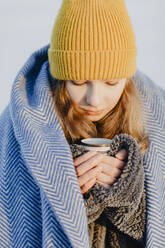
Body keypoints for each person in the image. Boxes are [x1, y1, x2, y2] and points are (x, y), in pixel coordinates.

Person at [0, 0, 165, 247]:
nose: (94, 99)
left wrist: (129, 199)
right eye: (77, 82)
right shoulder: (20, 126)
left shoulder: (157, 116)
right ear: (61, 78)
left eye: (110, 82)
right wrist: (62, 194)